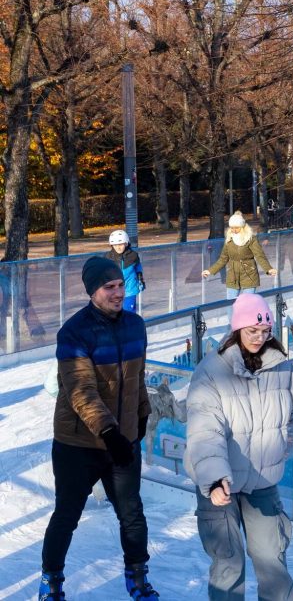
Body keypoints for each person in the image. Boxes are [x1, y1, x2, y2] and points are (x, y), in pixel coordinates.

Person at [185, 293, 293, 600]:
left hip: (262, 481)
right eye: (252, 331)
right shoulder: (211, 372)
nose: (259, 337)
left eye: (265, 331)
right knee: (228, 563)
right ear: (236, 330)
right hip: (220, 485)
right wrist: (214, 478)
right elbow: (205, 430)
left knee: (272, 561)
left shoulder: (282, 369)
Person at [39, 257, 158, 601]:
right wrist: (109, 432)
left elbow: (137, 380)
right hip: (78, 444)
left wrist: (142, 415)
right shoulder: (74, 332)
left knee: (131, 513)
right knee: (67, 514)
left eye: (121, 285)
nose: (118, 293)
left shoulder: (136, 326)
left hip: (123, 441)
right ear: (93, 291)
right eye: (110, 287)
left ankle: (138, 577)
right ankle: (51, 581)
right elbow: (80, 390)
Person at [203, 212, 277, 298]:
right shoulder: (229, 240)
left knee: (247, 305)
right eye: (232, 228)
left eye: (236, 228)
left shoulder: (250, 239)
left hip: (249, 274)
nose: (234, 230)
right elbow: (223, 259)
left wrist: (268, 269)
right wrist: (210, 271)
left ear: (242, 227)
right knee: (231, 305)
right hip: (233, 275)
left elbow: (259, 256)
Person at [105, 229, 145, 314]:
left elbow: (138, 267)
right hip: (114, 290)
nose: (118, 247)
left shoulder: (133, 255)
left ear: (126, 243)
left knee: (128, 312)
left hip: (129, 289)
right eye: (115, 245)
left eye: (120, 244)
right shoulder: (107, 257)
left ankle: (130, 326)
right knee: (114, 313)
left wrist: (140, 279)